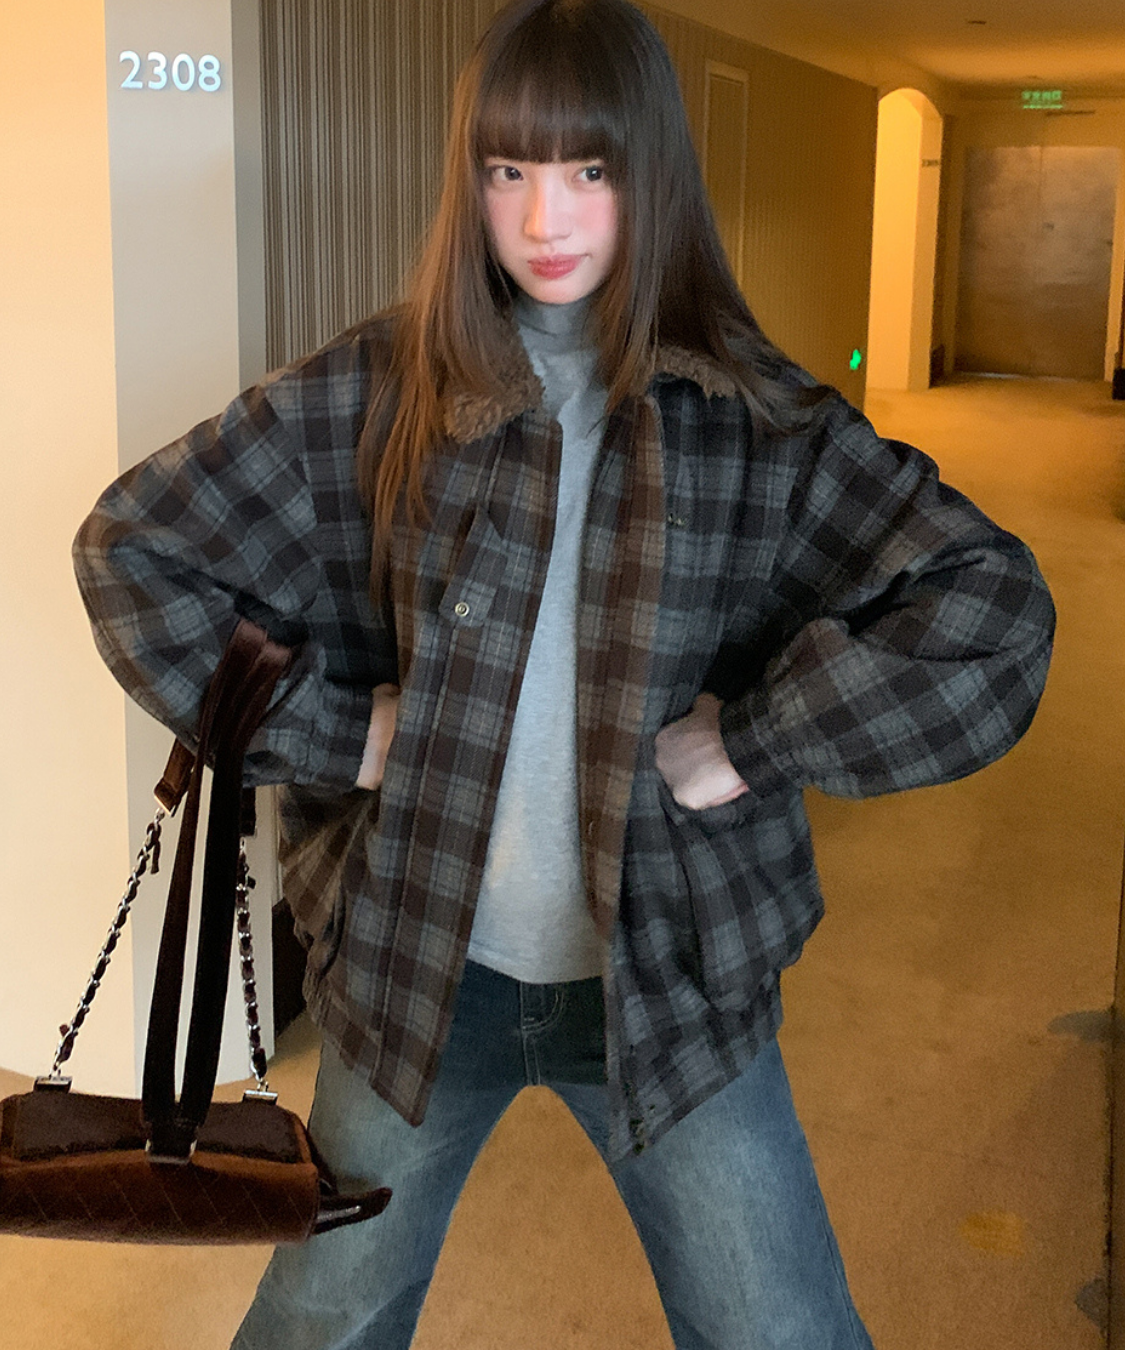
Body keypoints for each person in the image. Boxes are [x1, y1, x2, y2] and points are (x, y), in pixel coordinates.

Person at [73, 1, 1055, 1346]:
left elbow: (994, 614)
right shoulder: (377, 391)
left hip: (669, 981)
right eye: (509, 170)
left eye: (590, 169)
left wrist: (757, 739)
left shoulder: (753, 422)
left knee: (782, 1328)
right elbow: (132, 551)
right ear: (470, 180)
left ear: (652, 176)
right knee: (323, 1322)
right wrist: (347, 734)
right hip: (418, 965)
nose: (546, 218)